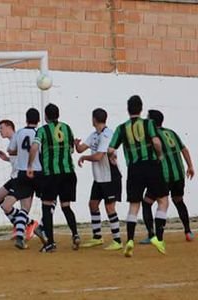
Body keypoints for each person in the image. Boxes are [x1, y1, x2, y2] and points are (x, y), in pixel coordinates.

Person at [108, 95, 169, 257]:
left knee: (134, 205)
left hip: (134, 168)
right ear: (141, 109)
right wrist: (160, 155)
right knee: (163, 200)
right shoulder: (149, 124)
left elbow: (110, 150)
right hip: (151, 165)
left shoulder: (122, 128)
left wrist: (113, 160)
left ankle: (129, 240)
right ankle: (159, 238)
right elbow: (156, 142)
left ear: (128, 110)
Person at [27, 103, 80, 252]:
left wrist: (30, 166)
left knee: (47, 206)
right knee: (66, 206)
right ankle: (75, 234)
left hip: (51, 174)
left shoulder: (42, 131)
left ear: (45, 116)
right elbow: (71, 150)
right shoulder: (67, 128)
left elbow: (34, 148)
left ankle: (50, 243)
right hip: (69, 173)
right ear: (58, 114)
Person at [140, 110, 195, 244]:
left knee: (147, 203)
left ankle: (153, 235)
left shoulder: (151, 137)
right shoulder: (171, 132)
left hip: (162, 176)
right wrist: (190, 166)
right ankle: (188, 231)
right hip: (178, 174)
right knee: (178, 200)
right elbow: (184, 149)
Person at [75, 108, 123, 251]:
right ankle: (97, 237)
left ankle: (117, 240)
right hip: (99, 178)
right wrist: (76, 144)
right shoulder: (95, 134)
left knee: (110, 208)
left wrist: (84, 158)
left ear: (94, 119)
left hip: (110, 178)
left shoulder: (107, 135)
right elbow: (81, 149)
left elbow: (98, 156)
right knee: (93, 204)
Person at [6, 108, 41, 249]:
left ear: (26, 119)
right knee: (48, 202)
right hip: (37, 172)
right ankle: (44, 232)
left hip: (22, 173)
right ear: (38, 121)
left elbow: (10, 150)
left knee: (23, 208)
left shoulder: (19, 132)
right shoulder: (39, 133)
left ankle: (20, 237)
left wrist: (20, 152)